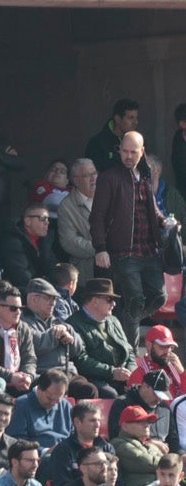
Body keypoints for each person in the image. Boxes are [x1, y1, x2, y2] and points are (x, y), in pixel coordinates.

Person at [92, 130, 169, 342]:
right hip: (124, 251)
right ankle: (131, 352)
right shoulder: (109, 178)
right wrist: (100, 247)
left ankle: (121, 323)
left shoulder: (145, 174)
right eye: (123, 151)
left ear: (142, 151)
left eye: (132, 152)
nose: (127, 156)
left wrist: (165, 221)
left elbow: (152, 208)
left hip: (149, 249)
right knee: (135, 299)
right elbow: (97, 215)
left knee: (159, 297)